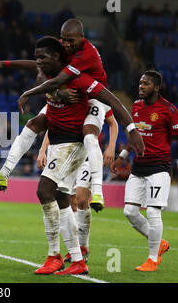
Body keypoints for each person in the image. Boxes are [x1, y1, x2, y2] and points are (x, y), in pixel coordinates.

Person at [0, 19, 144, 211]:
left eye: (70, 40)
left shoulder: (85, 54)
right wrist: (4, 63)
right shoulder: (68, 49)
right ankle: (4, 172)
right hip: (72, 93)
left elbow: (58, 80)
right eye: (63, 39)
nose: (65, 44)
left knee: (89, 134)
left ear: (81, 38)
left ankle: (98, 191)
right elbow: (40, 65)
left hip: (94, 97)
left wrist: (131, 130)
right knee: (34, 123)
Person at [111, 70, 178, 272]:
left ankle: (152, 259)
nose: (141, 87)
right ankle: (160, 243)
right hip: (138, 168)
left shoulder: (168, 109)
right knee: (129, 211)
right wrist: (122, 157)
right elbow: (135, 138)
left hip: (159, 168)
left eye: (146, 84)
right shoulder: (136, 106)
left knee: (153, 212)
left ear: (156, 87)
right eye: (140, 83)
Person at [37, 99, 118, 262]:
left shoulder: (98, 99)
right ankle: (75, 250)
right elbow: (53, 126)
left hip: (89, 156)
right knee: (69, 201)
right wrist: (43, 149)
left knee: (81, 199)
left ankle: (83, 247)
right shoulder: (69, 98)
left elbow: (113, 123)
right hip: (69, 155)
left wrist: (111, 147)